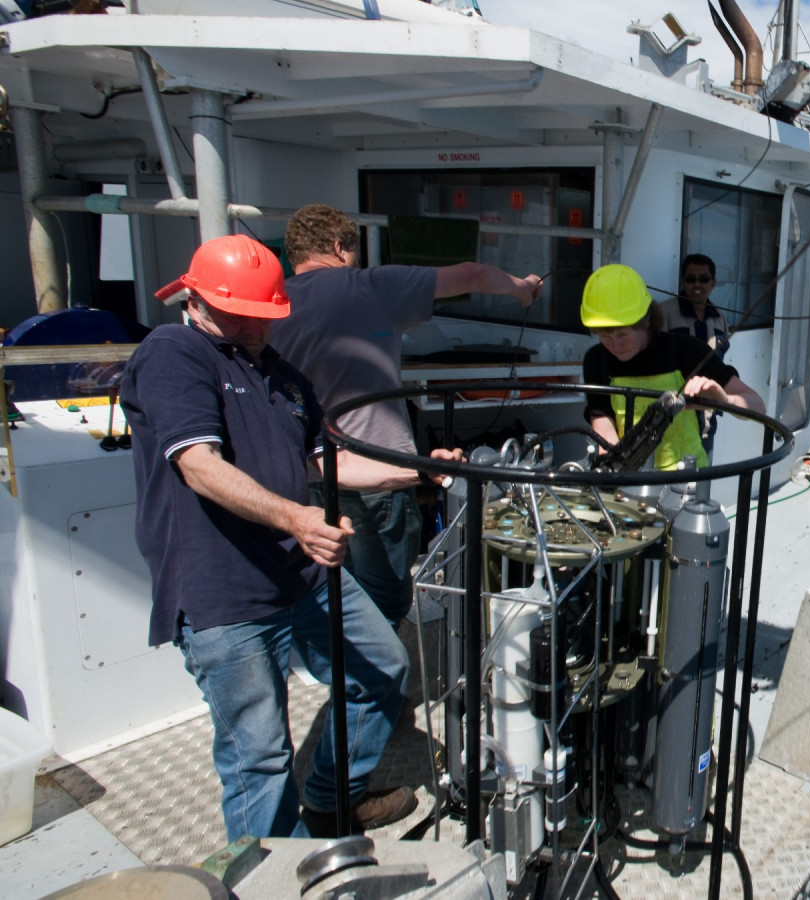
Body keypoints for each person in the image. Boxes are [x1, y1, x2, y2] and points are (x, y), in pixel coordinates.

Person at [122, 234, 461, 841]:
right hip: (223, 595)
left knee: (383, 667)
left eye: (265, 319)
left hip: (299, 574)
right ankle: (274, 875)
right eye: (241, 316)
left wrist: (421, 470)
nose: (255, 330)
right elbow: (197, 463)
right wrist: (299, 520)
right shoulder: (172, 352)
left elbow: (323, 465)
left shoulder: (283, 375)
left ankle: (332, 801)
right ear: (195, 300)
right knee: (259, 759)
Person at [273, 203, 543, 625]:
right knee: (384, 600)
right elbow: (471, 274)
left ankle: (350, 677)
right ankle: (378, 685)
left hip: (307, 474)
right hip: (380, 475)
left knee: (332, 595)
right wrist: (522, 286)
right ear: (341, 247)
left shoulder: (273, 303)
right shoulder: (371, 285)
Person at [581, 264, 764, 470]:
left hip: (686, 483)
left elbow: (757, 406)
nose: (615, 345)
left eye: (623, 335)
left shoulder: (687, 350)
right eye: (605, 336)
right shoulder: (596, 359)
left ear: (645, 321)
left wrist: (724, 401)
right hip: (629, 478)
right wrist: (616, 471)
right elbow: (603, 423)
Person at [657, 253, 731, 456]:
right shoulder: (664, 313)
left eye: (704, 279)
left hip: (707, 424)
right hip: (672, 422)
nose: (697, 284)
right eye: (691, 279)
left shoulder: (719, 318)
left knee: (702, 483)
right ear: (683, 281)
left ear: (713, 282)